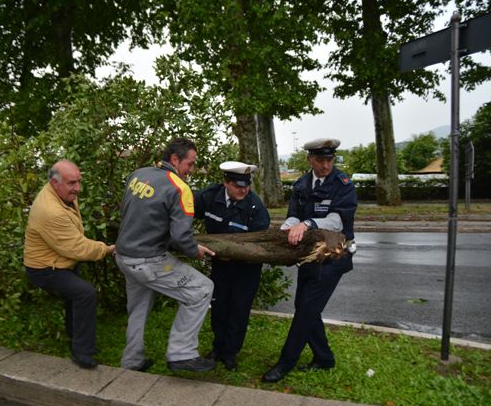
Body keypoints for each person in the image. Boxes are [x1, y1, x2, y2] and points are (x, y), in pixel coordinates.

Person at [115, 138, 217, 373]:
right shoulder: (179, 188)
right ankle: (181, 353)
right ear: (174, 159)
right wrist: (195, 250)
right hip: (148, 261)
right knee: (202, 290)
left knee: (138, 308)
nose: (191, 170)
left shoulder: (138, 174)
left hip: (123, 256)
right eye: (189, 164)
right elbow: (182, 238)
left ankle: (132, 361)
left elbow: (127, 212)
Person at [262, 138, 357, 383]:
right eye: (320, 160)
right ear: (310, 160)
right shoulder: (302, 184)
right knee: (305, 307)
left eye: (329, 159)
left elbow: (337, 221)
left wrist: (308, 224)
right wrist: (284, 231)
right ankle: (324, 358)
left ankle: (285, 363)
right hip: (308, 256)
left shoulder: (343, 184)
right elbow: (294, 215)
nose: (325, 165)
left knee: (306, 310)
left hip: (333, 256)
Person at [24, 159, 116, 370]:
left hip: (60, 261)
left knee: (73, 297)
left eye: (79, 182)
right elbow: (77, 248)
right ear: (55, 183)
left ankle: (75, 341)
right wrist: (107, 249)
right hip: (44, 268)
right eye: (72, 183)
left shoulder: (61, 194)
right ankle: (83, 353)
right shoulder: (51, 211)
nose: (78, 188)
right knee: (85, 293)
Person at [194, 161, 270, 370]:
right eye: (238, 185)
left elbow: (260, 247)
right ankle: (217, 348)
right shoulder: (210, 196)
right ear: (225, 183)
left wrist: (236, 256)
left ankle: (230, 353)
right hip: (220, 266)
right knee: (219, 307)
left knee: (239, 309)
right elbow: (185, 209)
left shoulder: (256, 208)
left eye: (246, 185)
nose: (243, 189)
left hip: (246, 269)